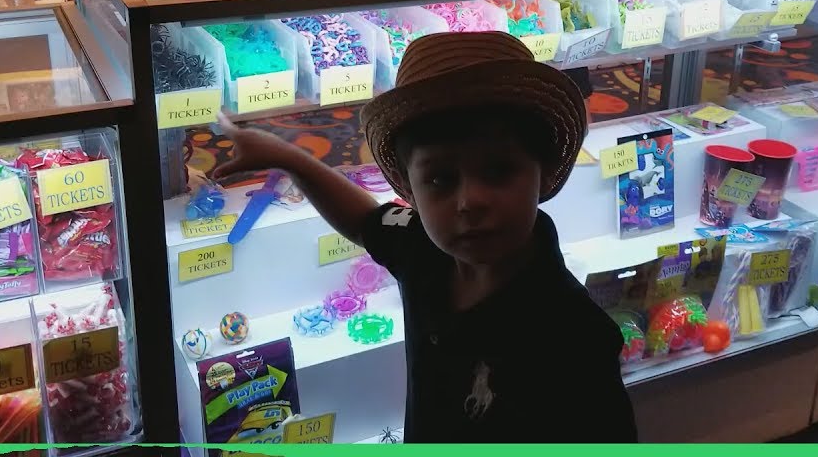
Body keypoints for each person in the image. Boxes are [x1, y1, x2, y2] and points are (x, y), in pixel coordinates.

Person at [213, 32, 637, 443]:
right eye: (440, 179)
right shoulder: (422, 247)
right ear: (410, 191)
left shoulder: (575, 337)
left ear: (542, 172)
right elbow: (364, 221)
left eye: (498, 171)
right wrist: (287, 157)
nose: (469, 201)